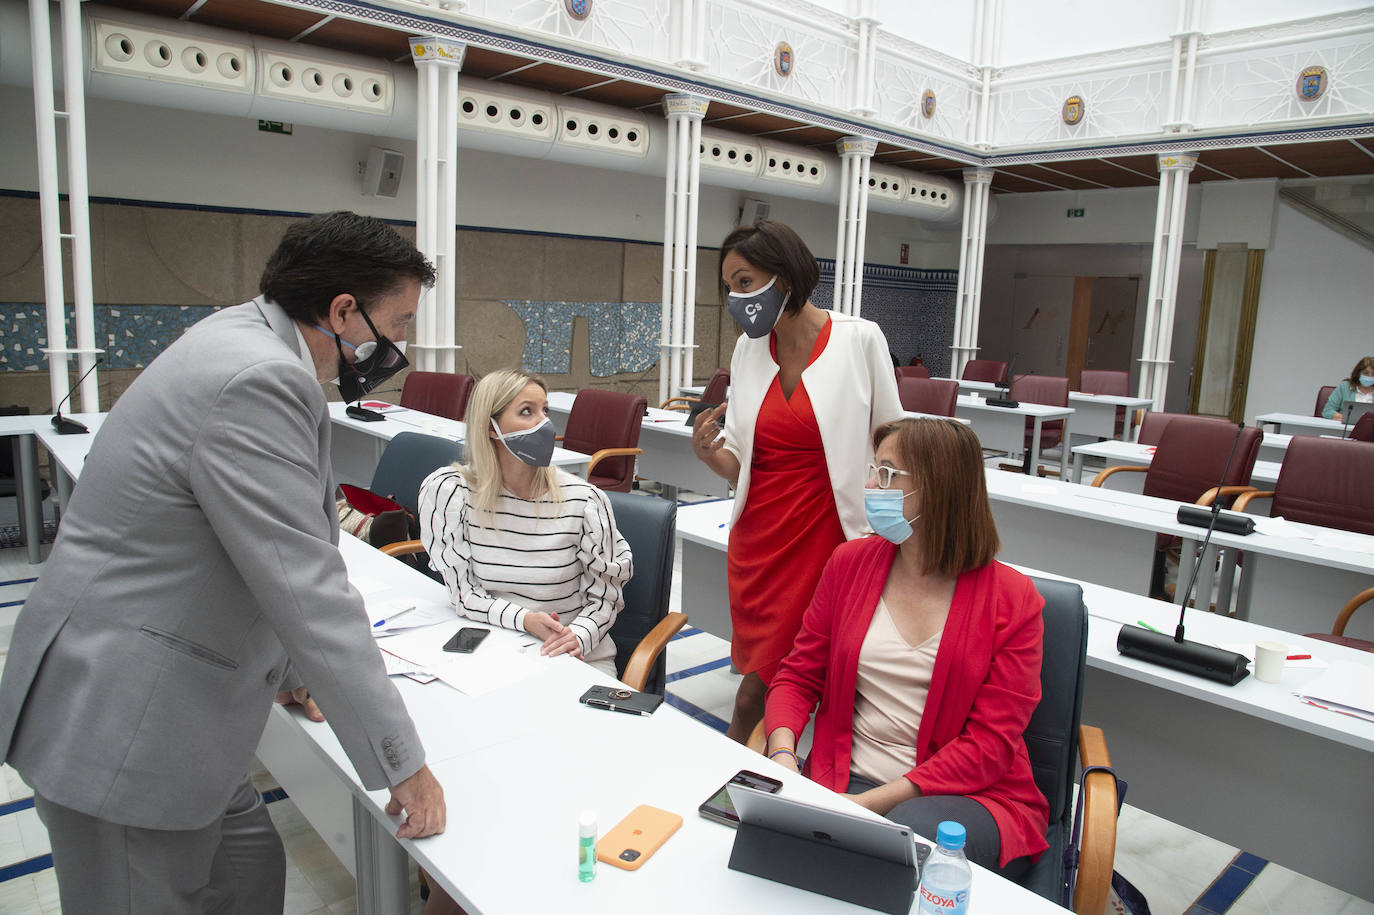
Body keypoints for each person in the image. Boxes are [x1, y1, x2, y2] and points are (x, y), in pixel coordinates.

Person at [0, 211, 447, 912]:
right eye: (394, 325)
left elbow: (261, 537)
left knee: (248, 871)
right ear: (341, 310)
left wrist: (297, 674)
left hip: (169, 712)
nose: (394, 348)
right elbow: (305, 585)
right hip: (126, 727)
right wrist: (404, 763)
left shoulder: (239, 337)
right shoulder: (258, 378)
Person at [763, 417, 1050, 878]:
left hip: (967, 795)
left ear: (940, 488)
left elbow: (990, 746)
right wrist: (782, 755)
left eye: (888, 474)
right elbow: (798, 676)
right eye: (874, 469)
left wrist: (867, 806)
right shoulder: (850, 563)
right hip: (844, 779)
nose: (872, 484)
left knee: (892, 856)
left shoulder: (1013, 601)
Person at [691, 219, 902, 743]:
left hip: (832, 538)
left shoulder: (859, 340)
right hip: (761, 541)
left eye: (744, 282)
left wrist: (894, 533)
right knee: (770, 681)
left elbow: (894, 442)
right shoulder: (747, 350)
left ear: (784, 276)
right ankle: (765, 779)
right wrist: (709, 454)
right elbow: (741, 459)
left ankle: (753, 780)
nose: (735, 298)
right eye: (729, 286)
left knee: (763, 693)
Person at [418, 369, 632, 678]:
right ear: (491, 427)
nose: (543, 423)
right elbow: (464, 593)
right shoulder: (451, 492)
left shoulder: (584, 501)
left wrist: (578, 636)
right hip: (496, 643)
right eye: (527, 412)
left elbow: (606, 597)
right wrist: (526, 620)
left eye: (544, 410)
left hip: (570, 651)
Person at [1322, 355, 1374, 421]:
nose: (1370, 376)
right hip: (1344, 429)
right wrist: (1350, 419)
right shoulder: (1345, 387)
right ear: (1358, 373)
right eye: (1366, 373)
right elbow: (1327, 411)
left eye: (1373, 374)